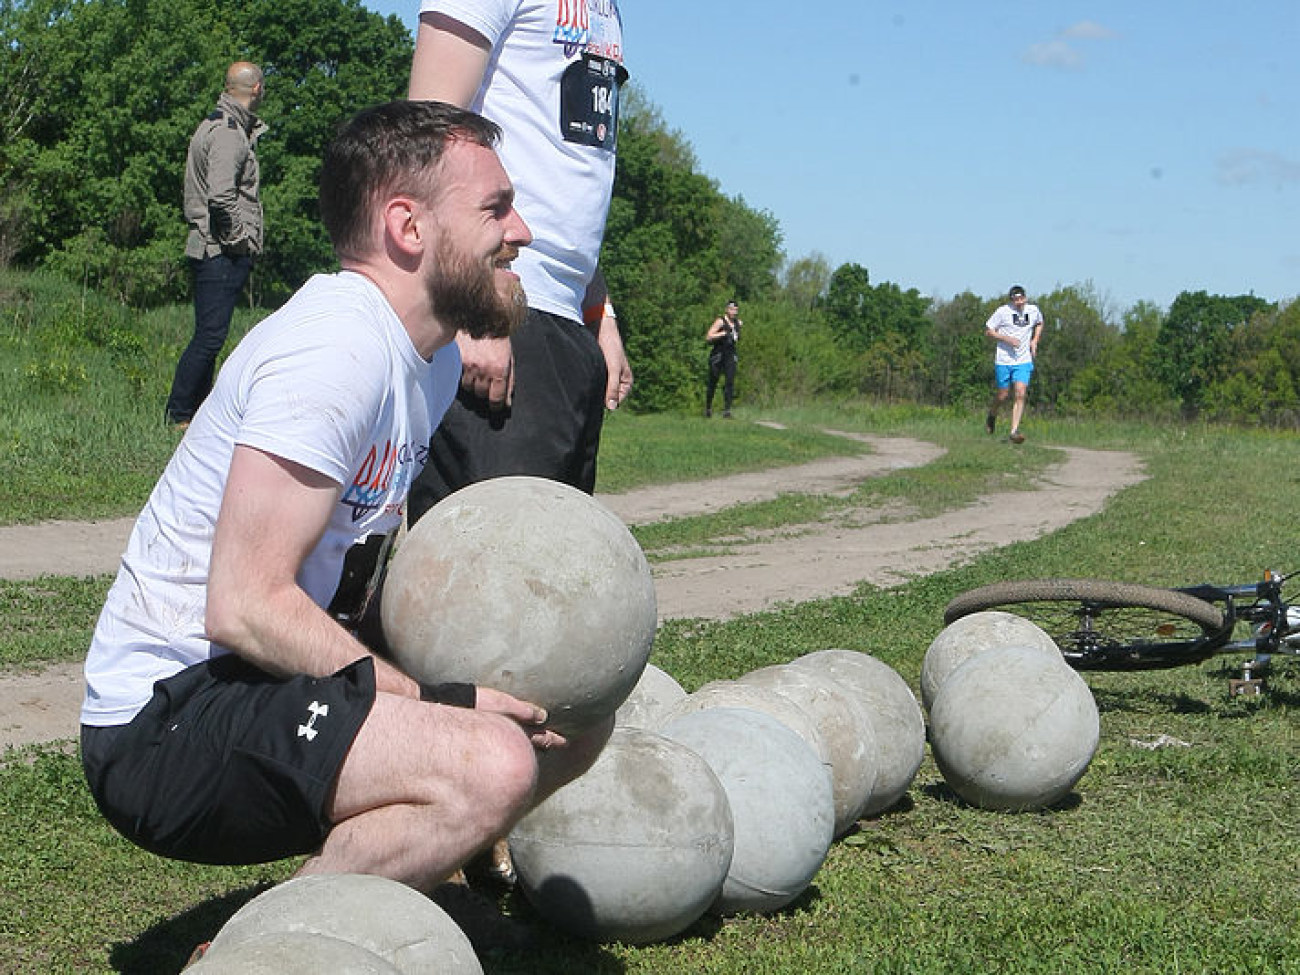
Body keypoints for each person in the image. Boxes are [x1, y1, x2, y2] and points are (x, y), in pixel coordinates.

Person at [80, 102, 610, 907]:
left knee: (570, 713)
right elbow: (244, 606)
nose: (524, 231)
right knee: (493, 763)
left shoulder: (425, 362)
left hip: (260, 677)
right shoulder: (333, 351)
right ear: (408, 225)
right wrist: (430, 706)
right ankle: (263, 957)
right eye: (495, 208)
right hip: (169, 717)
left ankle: (367, 898)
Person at [404, 0, 632, 522]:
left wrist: (599, 310)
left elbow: (566, 172)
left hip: (563, 318)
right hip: (496, 302)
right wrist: (473, 307)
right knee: (491, 571)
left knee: (551, 564)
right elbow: (426, 135)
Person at [165, 62, 268, 428]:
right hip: (219, 250)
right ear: (256, 88)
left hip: (215, 248)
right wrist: (240, 240)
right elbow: (221, 198)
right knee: (209, 337)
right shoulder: (228, 134)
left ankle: (194, 414)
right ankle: (179, 413)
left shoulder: (223, 125)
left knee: (211, 334)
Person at [984, 285, 1043, 444]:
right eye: (1015, 299)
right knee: (1003, 395)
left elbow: (1039, 323)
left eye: (1021, 299)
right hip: (1004, 359)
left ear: (1025, 298)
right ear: (1011, 300)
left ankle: (1014, 431)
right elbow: (988, 331)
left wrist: (1035, 340)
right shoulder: (1003, 312)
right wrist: (1006, 339)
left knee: (1020, 392)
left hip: (1023, 360)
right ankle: (992, 414)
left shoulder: (1033, 310)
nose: (1019, 302)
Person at [705, 299, 742, 418]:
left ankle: (727, 410)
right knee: (713, 381)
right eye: (731, 309)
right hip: (718, 354)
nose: (734, 312)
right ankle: (708, 408)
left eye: (735, 310)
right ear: (727, 310)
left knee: (730, 382)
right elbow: (709, 336)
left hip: (730, 354)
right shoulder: (720, 321)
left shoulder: (738, 323)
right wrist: (722, 334)